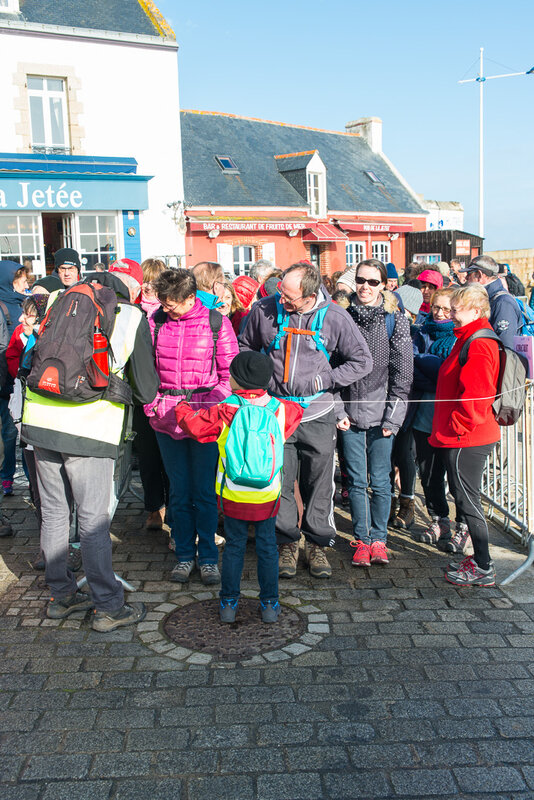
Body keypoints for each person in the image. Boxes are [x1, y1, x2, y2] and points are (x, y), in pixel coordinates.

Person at [21, 261, 160, 630]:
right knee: (93, 520)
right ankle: (108, 606)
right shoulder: (130, 316)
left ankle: (62, 596)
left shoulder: (58, 303)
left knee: (53, 514)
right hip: (88, 428)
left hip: (39, 422)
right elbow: (147, 389)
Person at [239, 262, 373, 578]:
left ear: (310, 295)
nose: (280, 302)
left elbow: (362, 361)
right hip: (276, 413)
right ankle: (286, 543)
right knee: (280, 481)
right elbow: (245, 347)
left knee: (319, 484)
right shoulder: (263, 309)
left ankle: (317, 545)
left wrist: (327, 379)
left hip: (318, 413)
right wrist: (257, 384)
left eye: (289, 298)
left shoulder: (336, 318)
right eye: (280, 293)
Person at [176, 351, 303, 623]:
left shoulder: (225, 408)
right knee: (268, 547)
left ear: (238, 379)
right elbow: (296, 414)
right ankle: (270, 605)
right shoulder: (281, 409)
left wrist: (182, 407)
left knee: (234, 546)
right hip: (267, 494)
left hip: (233, 493)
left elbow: (194, 427)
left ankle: (229, 604)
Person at [144, 269, 239, 584]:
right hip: (165, 417)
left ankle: (209, 556)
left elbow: (229, 375)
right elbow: (145, 370)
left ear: (190, 298)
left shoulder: (216, 323)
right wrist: (152, 404)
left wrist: (208, 409)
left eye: (172, 304)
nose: (166, 309)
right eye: (163, 303)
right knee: (179, 492)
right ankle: (184, 555)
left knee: (204, 492)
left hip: (204, 420)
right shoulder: (156, 321)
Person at [342, 259, 413, 567]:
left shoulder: (395, 320)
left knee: (381, 480)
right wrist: (337, 412)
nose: (365, 287)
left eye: (373, 282)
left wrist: (393, 418)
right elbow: (330, 368)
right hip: (349, 414)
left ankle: (380, 539)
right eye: (361, 280)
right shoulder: (342, 317)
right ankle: (362, 539)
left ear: (384, 284)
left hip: (383, 414)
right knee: (356, 481)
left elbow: (403, 374)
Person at [429, 284, 501, 586]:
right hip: (463, 434)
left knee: (467, 501)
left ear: (475, 310)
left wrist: (457, 426)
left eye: (455, 307)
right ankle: (480, 561)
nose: (450, 313)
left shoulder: (479, 342)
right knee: (465, 498)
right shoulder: (469, 337)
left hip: (467, 436)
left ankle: (484, 566)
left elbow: (478, 394)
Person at [410, 287, 462, 549]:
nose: (440, 313)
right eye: (436, 308)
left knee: (456, 476)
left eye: (446, 308)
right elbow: (411, 372)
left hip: (452, 419)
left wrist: (423, 362)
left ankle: (462, 525)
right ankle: (438, 518)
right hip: (423, 415)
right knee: (429, 474)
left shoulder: (459, 337)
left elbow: (449, 375)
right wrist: (429, 368)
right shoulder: (420, 331)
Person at [135, 258, 169, 530]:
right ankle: (153, 507)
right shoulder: (132, 310)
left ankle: (171, 506)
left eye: (155, 282)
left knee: (167, 454)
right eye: (145, 280)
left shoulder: (169, 312)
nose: (149, 286)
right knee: (146, 455)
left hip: (167, 391)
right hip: (140, 393)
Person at [0, 261, 30, 496]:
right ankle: (6, 477)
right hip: (7, 380)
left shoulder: (24, 304)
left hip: (24, 379)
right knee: (8, 434)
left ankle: (30, 479)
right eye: (22, 281)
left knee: (25, 435)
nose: (26, 285)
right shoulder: (4, 307)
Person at [459, 255, 521, 349]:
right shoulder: (486, 298)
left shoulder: (502, 303)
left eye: (469, 274)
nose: (466, 278)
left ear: (479, 275)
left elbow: (506, 348)